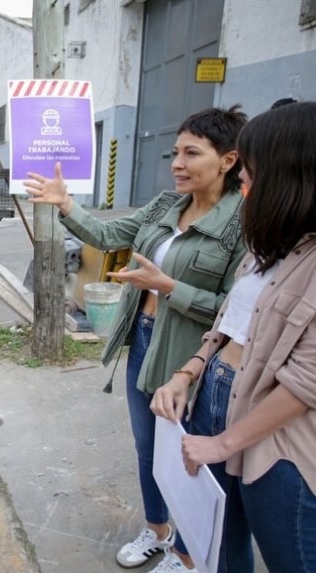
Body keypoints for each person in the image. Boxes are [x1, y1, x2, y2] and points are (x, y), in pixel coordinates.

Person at [24, 106, 248, 573]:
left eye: (192, 153)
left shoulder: (241, 225)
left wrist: (170, 289)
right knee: (148, 449)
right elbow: (108, 235)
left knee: (189, 458)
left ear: (228, 160)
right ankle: (158, 531)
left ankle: (187, 555)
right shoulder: (167, 205)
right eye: (175, 153)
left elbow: (235, 310)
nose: (177, 163)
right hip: (143, 341)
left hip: (192, 356)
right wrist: (66, 204)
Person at [152, 101, 316, 572]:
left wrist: (225, 444)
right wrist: (189, 373)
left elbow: (306, 382)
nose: (241, 177)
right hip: (218, 399)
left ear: (290, 173)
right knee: (217, 547)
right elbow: (227, 324)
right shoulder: (268, 247)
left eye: (250, 167)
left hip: (278, 440)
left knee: (292, 557)